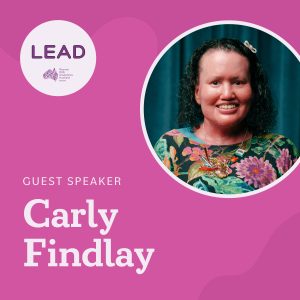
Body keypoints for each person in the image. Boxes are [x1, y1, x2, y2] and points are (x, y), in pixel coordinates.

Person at [154, 38, 299, 194]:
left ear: (254, 90)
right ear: (197, 93)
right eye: (215, 82)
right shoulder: (170, 146)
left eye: (238, 82)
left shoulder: (281, 150)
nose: (227, 94)